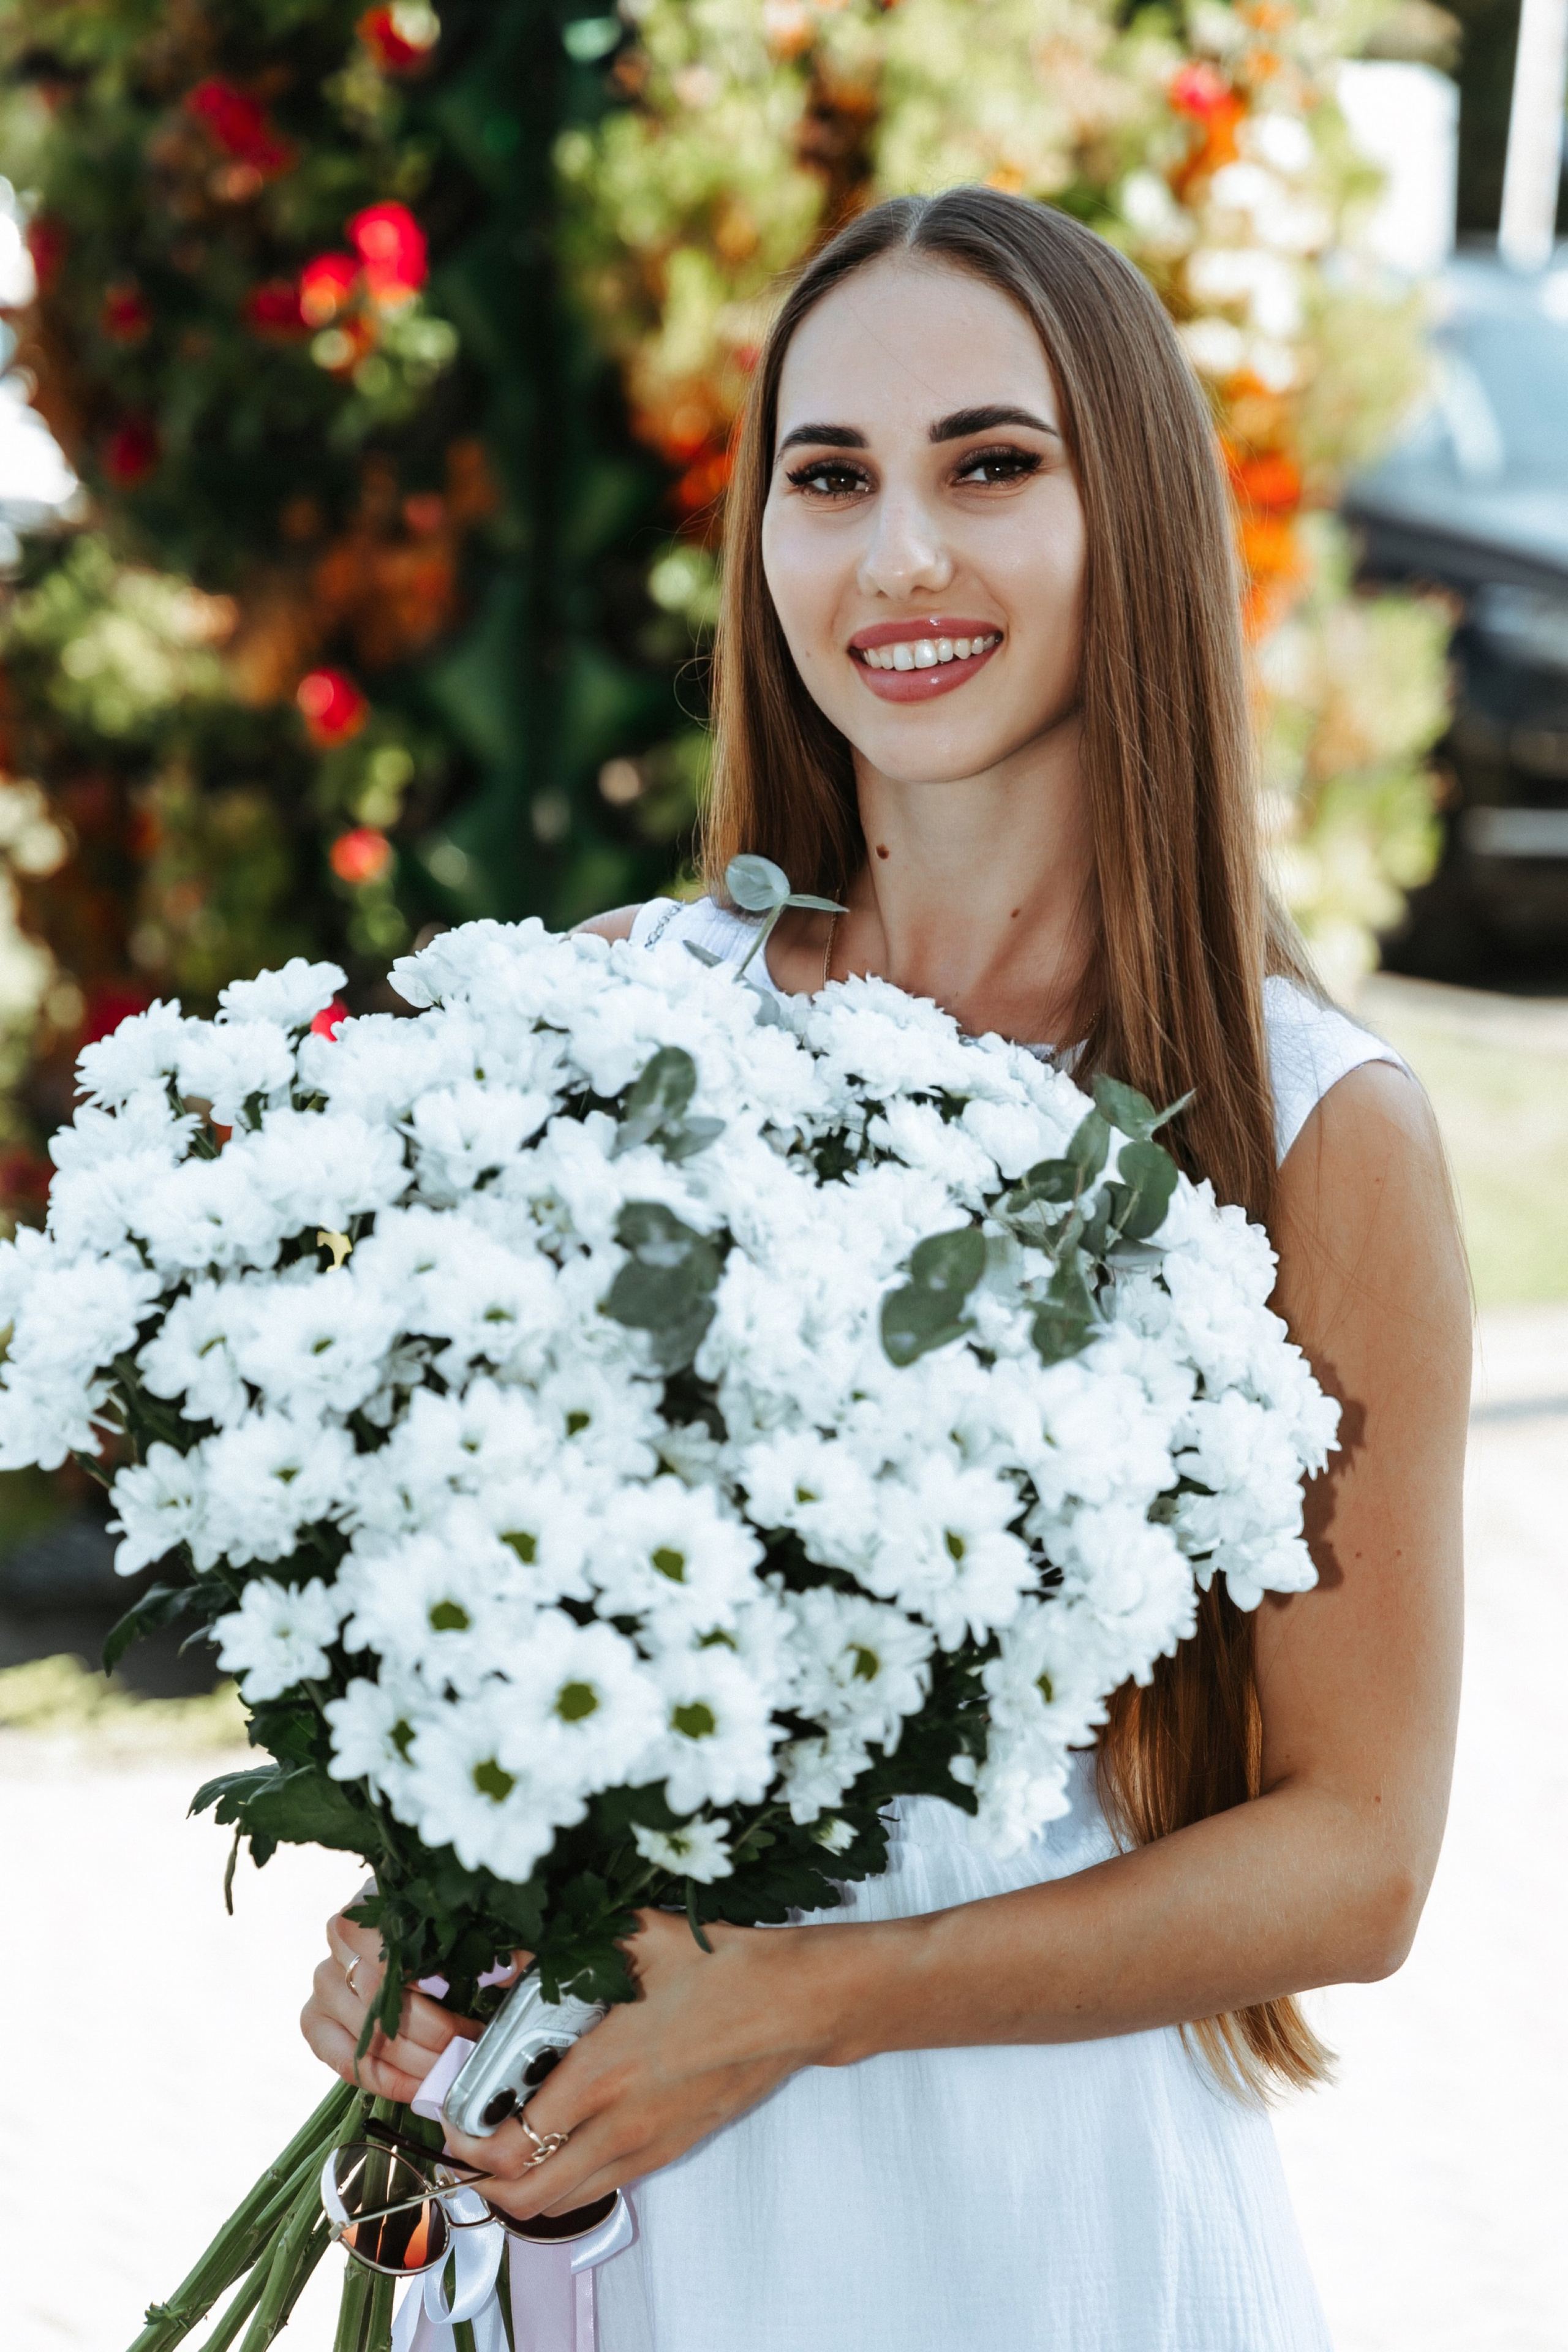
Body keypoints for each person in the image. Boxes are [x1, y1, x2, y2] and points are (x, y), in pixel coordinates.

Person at [302, 189, 1469, 2351]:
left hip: (1027, 2229)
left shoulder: (1310, 1123)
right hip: (586, 2220)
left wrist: (812, 2001)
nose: (899, 556)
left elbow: (1363, 1855)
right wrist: (417, 1919)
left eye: (990, 465)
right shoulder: (614, 1019)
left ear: (1132, 518)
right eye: (829, 478)